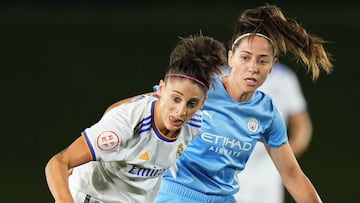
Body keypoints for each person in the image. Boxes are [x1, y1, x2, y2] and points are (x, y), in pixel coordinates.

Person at [153, 4, 333, 203]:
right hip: (174, 195)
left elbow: (292, 175)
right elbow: (140, 108)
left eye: (262, 61)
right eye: (245, 57)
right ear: (231, 58)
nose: (253, 68)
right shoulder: (201, 88)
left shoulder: (267, 113)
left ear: (272, 66)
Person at [44, 34, 227, 203]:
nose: (180, 111)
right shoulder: (129, 122)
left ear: (202, 104)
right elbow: (58, 162)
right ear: (161, 90)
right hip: (92, 197)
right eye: (175, 98)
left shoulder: (194, 124)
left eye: (192, 103)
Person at [232, 62, 313, 203]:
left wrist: (283, 159)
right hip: (230, 171)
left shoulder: (284, 78)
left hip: (268, 175)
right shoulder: (222, 75)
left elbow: (301, 126)